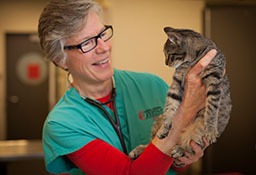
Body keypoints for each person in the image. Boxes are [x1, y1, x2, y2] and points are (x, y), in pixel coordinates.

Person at [38, 0, 216, 174]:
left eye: (102, 34)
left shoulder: (152, 85)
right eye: (87, 42)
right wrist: (185, 112)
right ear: (60, 59)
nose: (104, 48)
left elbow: (175, 165)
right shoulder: (63, 123)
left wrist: (183, 157)